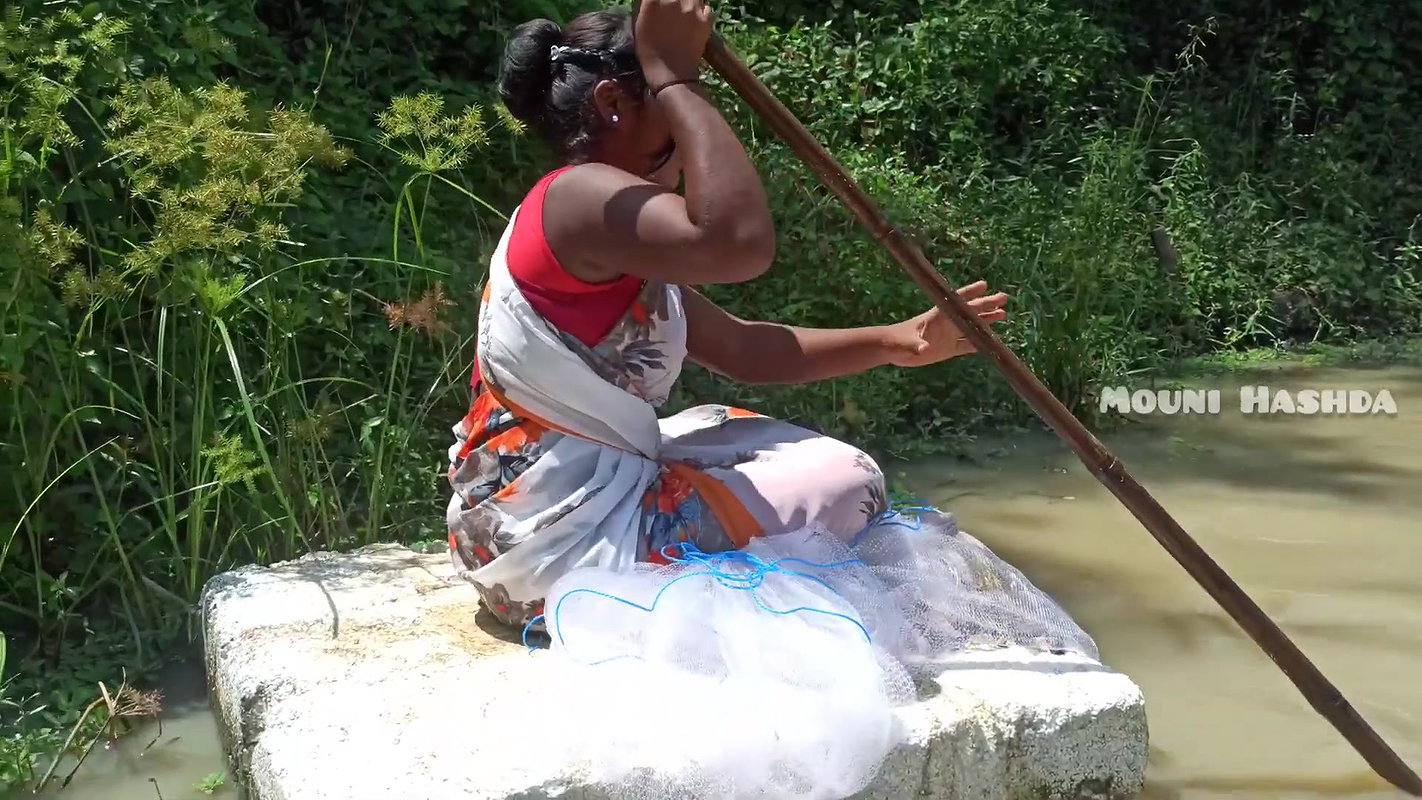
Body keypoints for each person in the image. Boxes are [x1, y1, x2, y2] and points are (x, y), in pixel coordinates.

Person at [445, 0, 1009, 632]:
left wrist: (901, 340)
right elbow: (738, 242)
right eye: (668, 104)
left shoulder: (603, 229)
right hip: (551, 550)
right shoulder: (577, 197)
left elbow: (743, 349)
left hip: (524, 528)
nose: (690, 141)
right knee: (851, 478)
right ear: (613, 103)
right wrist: (674, 75)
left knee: (723, 423)